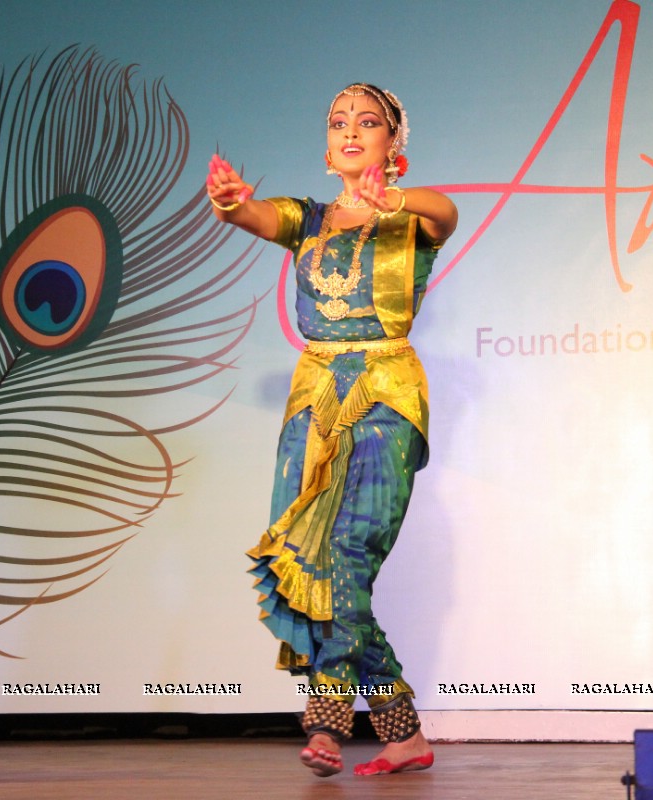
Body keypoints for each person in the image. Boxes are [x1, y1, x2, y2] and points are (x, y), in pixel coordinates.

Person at [206, 83, 457, 778]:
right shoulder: (308, 216)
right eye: (338, 121)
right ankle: (402, 735)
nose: (351, 129)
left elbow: (447, 212)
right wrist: (230, 202)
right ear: (326, 146)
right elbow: (255, 215)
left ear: (392, 145)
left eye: (368, 121)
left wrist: (396, 201)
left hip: (385, 392)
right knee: (318, 564)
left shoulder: (411, 217)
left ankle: (326, 718)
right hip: (314, 397)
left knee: (349, 553)